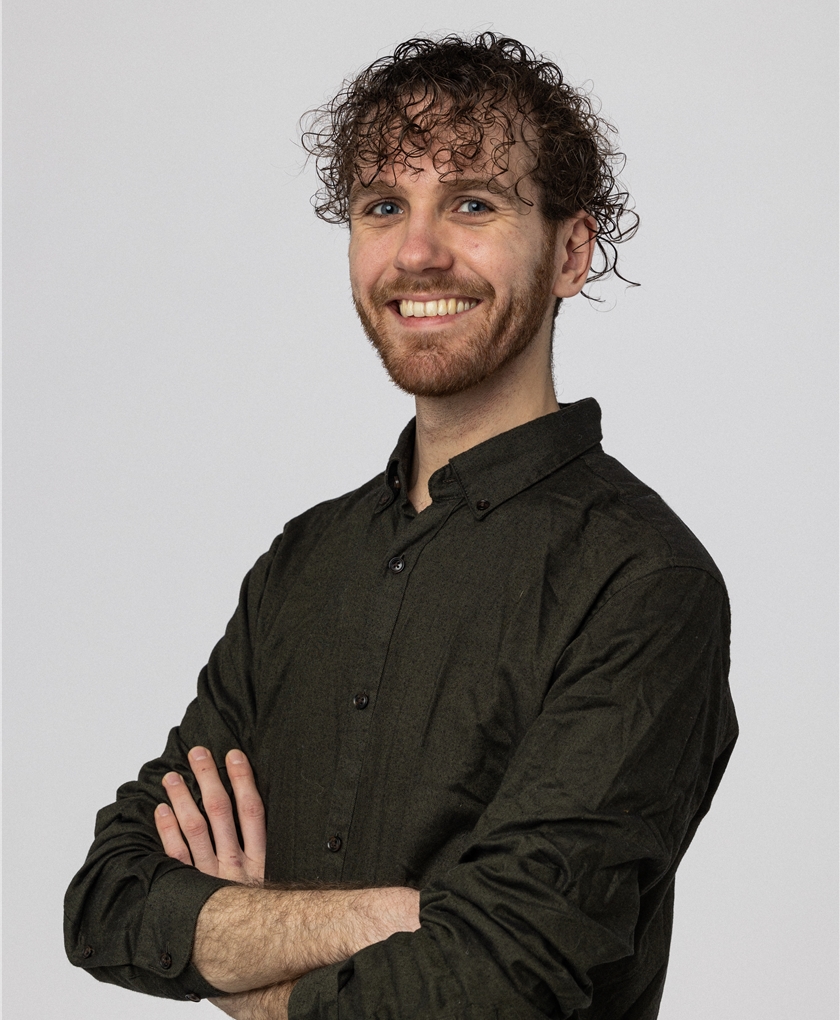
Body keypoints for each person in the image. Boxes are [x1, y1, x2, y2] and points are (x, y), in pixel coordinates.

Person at [64, 33, 737, 1020]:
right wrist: (391, 915)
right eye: (384, 206)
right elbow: (111, 901)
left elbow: (498, 975)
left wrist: (251, 977)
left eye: (473, 203)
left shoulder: (642, 581)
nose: (417, 251)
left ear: (570, 251)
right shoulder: (303, 563)